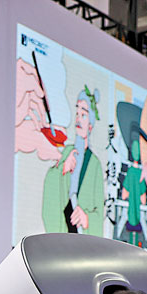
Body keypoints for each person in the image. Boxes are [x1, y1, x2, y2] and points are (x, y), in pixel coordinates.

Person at [42, 87, 104, 237]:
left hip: (79, 233)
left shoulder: (95, 164)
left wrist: (86, 218)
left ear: (90, 126)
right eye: (77, 113)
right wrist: (63, 168)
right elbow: (50, 184)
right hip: (63, 224)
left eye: (83, 115)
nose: (78, 119)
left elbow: (99, 211)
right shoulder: (67, 152)